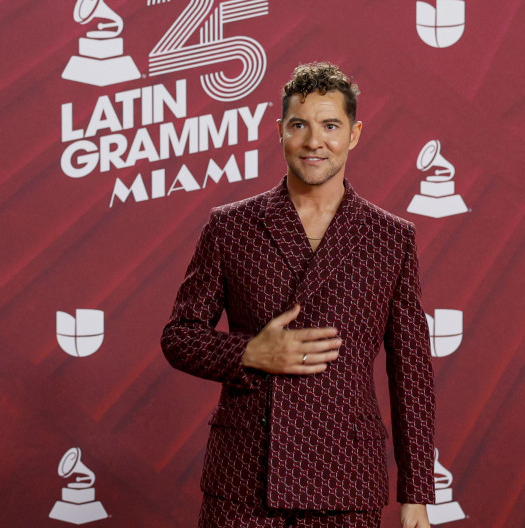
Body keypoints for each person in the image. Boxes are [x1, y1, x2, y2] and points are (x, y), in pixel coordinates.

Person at [160, 62, 435, 528]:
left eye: (330, 125)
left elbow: (411, 372)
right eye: (299, 125)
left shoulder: (391, 237)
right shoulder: (230, 226)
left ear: (354, 133)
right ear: (280, 131)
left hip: (345, 480)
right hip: (244, 479)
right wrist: (249, 352)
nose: (314, 141)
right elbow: (179, 337)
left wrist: (417, 494)